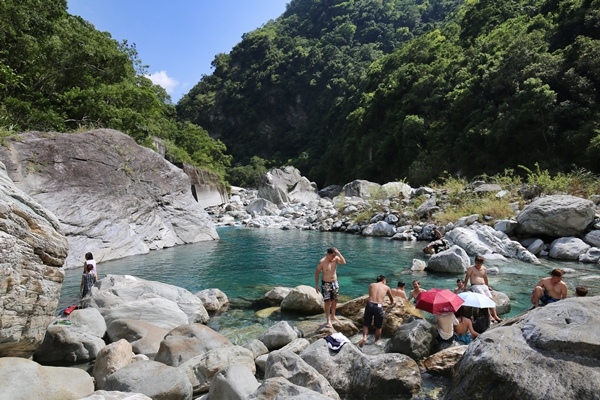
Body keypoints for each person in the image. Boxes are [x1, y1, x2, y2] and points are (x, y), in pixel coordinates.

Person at [359, 275, 395, 346]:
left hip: (370, 304)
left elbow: (370, 295)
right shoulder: (387, 287)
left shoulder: (371, 285)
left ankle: (364, 337)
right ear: (383, 280)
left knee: (366, 324)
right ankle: (376, 341)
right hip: (378, 306)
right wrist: (392, 303)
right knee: (378, 326)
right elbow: (392, 299)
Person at [314, 247, 346, 327]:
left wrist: (338, 253)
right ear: (328, 254)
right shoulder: (322, 262)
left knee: (335, 300)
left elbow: (344, 262)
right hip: (326, 284)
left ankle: (333, 316)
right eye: (332, 255)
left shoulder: (336, 258)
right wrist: (317, 285)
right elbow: (317, 273)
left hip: (335, 283)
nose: (333, 257)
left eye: (334, 255)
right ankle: (328, 320)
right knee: (327, 302)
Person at [464, 255, 502, 322]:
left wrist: (487, 286)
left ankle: (495, 315)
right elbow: (467, 277)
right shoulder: (471, 268)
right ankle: (489, 316)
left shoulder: (484, 269)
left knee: (490, 299)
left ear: (482, 263)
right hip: (475, 285)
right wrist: (465, 286)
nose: (477, 264)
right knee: (484, 299)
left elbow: (485, 278)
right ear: (475, 262)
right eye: (476, 263)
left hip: (483, 285)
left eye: (479, 263)